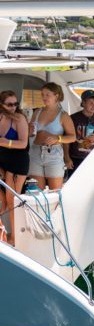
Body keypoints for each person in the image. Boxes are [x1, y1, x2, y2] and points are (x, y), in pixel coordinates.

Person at [29, 83, 76, 190]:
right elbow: (30, 132)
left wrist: (58, 138)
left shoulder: (63, 115)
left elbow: (72, 137)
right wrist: (30, 131)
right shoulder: (37, 112)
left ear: (56, 95)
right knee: (36, 193)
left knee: (55, 193)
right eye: (42, 95)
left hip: (54, 154)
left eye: (47, 94)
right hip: (35, 153)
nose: (44, 97)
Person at [0, 91, 30, 243]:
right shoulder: (0, 117)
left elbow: (23, 143)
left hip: (18, 162)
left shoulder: (19, 118)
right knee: (4, 201)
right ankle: (7, 233)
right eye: (9, 104)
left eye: (16, 104)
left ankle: (15, 237)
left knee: (13, 201)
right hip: (2, 163)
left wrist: (3, 142)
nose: (13, 107)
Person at [66, 89, 94, 172]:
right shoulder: (72, 118)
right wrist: (67, 159)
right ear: (83, 103)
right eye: (91, 103)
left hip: (93, 160)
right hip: (75, 159)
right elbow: (66, 141)